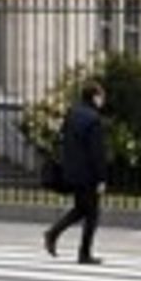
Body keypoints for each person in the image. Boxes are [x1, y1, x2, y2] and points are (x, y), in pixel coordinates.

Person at [44, 79, 107, 264]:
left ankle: (53, 233)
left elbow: (64, 139)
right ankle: (84, 253)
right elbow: (97, 152)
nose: (102, 100)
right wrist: (101, 177)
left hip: (72, 170)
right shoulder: (94, 119)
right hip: (88, 174)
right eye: (101, 96)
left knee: (81, 209)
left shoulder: (72, 114)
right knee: (92, 214)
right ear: (95, 97)